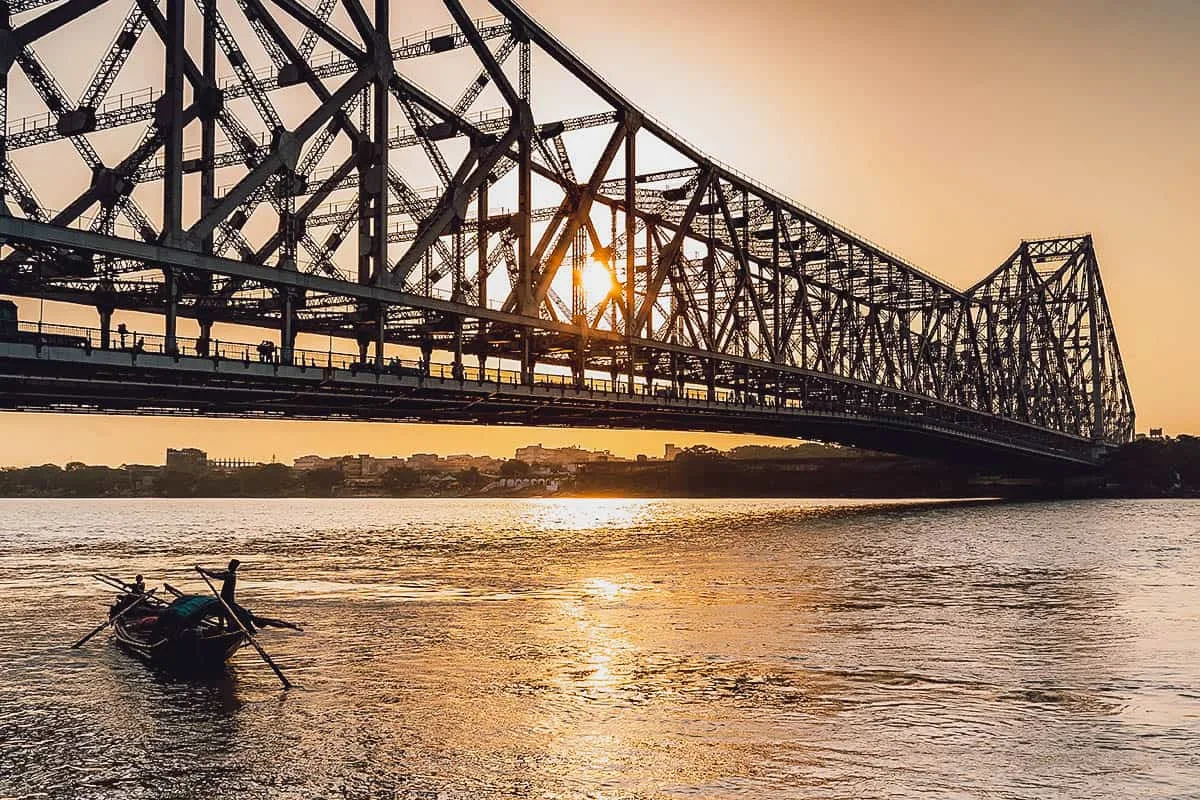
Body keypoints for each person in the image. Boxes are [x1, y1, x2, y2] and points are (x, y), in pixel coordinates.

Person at [196, 559, 242, 629]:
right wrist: (203, 571)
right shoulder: (228, 574)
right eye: (229, 564)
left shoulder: (231, 576)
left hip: (228, 599)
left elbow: (215, 575)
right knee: (222, 613)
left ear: (234, 567)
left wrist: (203, 570)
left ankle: (226, 627)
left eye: (231, 564)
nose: (229, 565)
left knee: (226, 613)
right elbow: (216, 574)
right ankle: (222, 626)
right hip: (224, 598)